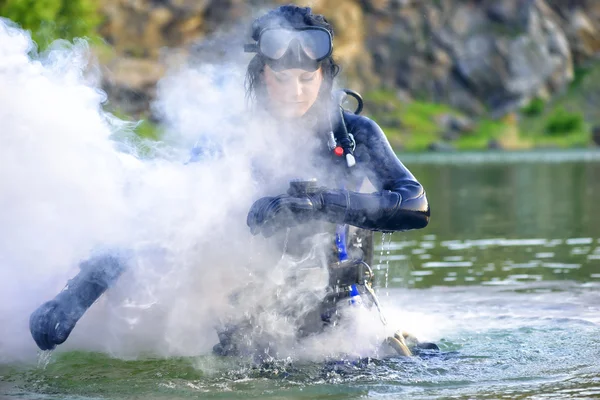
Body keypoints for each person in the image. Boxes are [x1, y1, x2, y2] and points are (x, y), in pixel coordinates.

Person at [29, 5, 431, 356]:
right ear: (261, 74)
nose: (295, 91)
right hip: (252, 325)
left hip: (342, 326)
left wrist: (321, 203)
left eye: (307, 80)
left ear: (324, 77)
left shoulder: (353, 134)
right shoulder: (228, 139)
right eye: (282, 77)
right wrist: (76, 296)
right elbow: (158, 220)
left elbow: (415, 205)